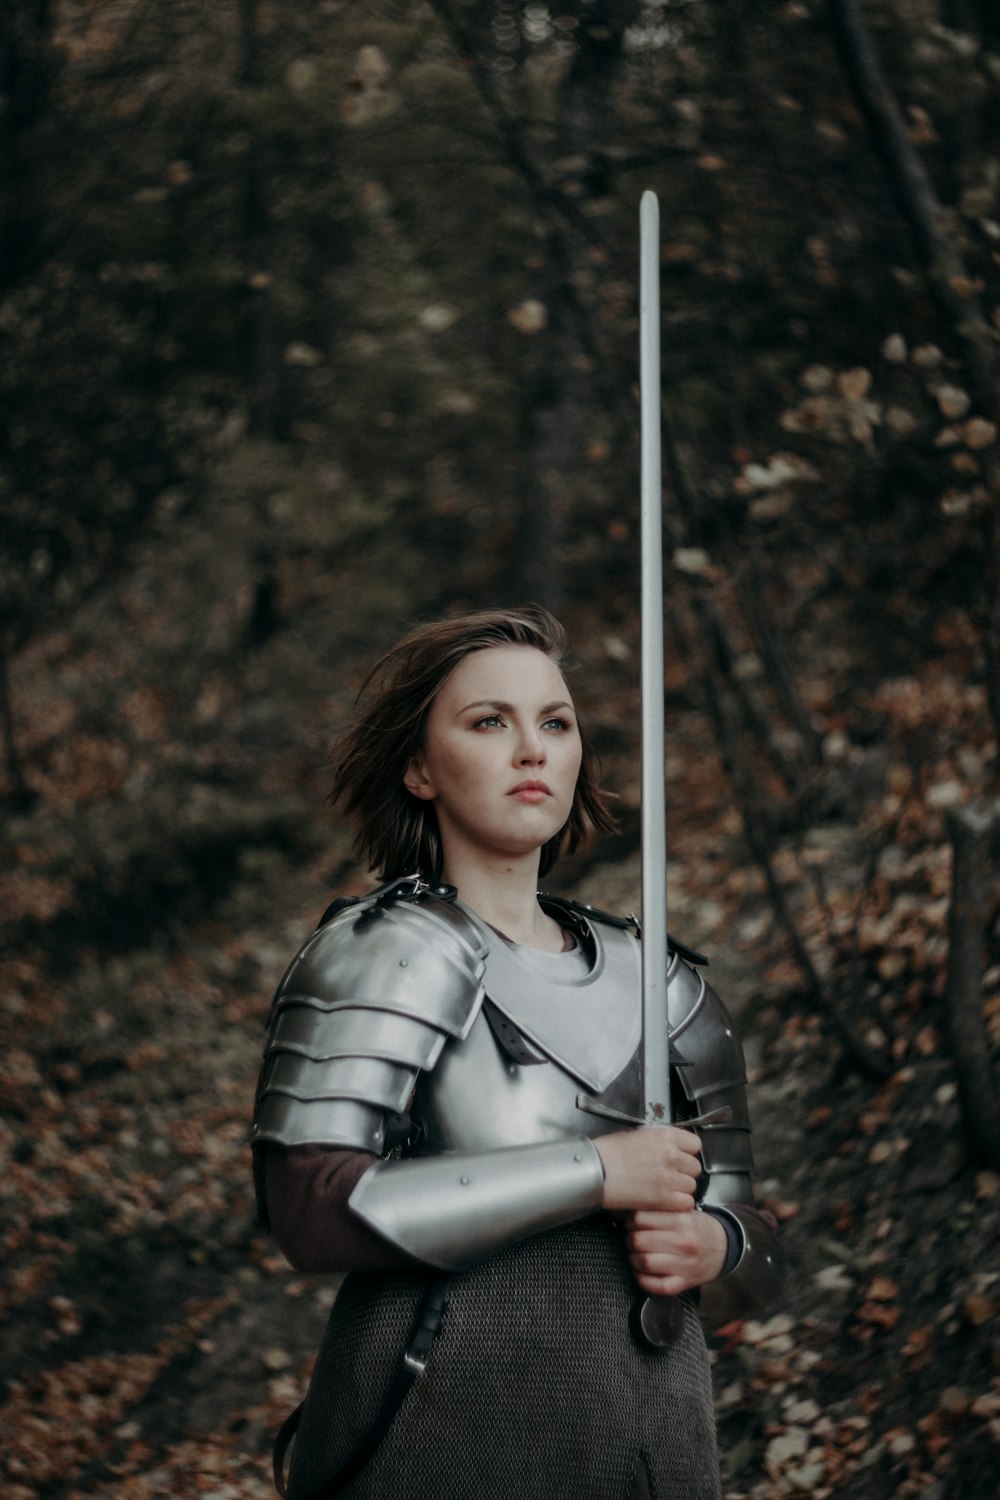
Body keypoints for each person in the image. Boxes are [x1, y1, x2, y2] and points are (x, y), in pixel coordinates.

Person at [252, 605, 785, 1500]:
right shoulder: (386, 950)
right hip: (435, 1431)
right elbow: (307, 1209)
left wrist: (712, 1248)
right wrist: (592, 1171)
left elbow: (759, 1242)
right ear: (420, 768)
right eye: (489, 722)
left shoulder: (664, 984)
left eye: (556, 723)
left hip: (649, 1438)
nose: (532, 749)